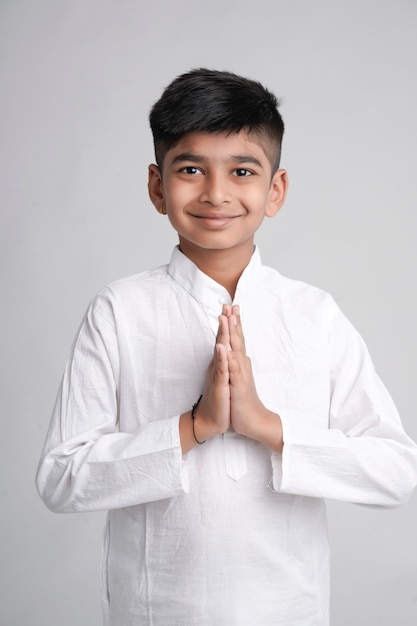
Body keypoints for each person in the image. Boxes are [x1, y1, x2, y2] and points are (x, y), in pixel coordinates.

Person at [36, 69, 417, 626]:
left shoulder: (313, 314)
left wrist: (267, 426)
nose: (216, 192)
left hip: (290, 611)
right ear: (157, 187)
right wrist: (193, 427)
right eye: (190, 169)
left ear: (275, 189)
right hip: (157, 611)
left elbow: (396, 473)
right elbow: (60, 479)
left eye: (242, 170)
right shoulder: (119, 311)